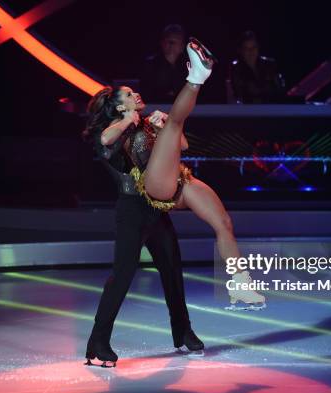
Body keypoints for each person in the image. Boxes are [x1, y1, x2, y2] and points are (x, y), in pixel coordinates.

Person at [83, 39, 266, 367]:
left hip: (161, 200)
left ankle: (198, 319)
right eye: (128, 94)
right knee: (122, 276)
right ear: (119, 106)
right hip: (134, 207)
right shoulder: (116, 129)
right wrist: (131, 119)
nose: (136, 94)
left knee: (199, 244)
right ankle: (98, 341)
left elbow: (181, 143)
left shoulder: (148, 123)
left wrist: (163, 125)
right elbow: (103, 140)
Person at [229, 30, 285, 104]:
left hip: (271, 108)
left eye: (253, 47)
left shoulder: (269, 64)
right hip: (247, 110)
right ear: (241, 50)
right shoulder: (236, 68)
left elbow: (279, 89)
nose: (251, 51)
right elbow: (238, 93)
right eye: (246, 49)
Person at [140, 24, 189, 103]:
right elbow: (147, 92)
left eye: (176, 41)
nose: (171, 45)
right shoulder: (150, 65)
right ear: (162, 43)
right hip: (156, 106)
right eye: (169, 41)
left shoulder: (188, 66)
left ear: (182, 46)